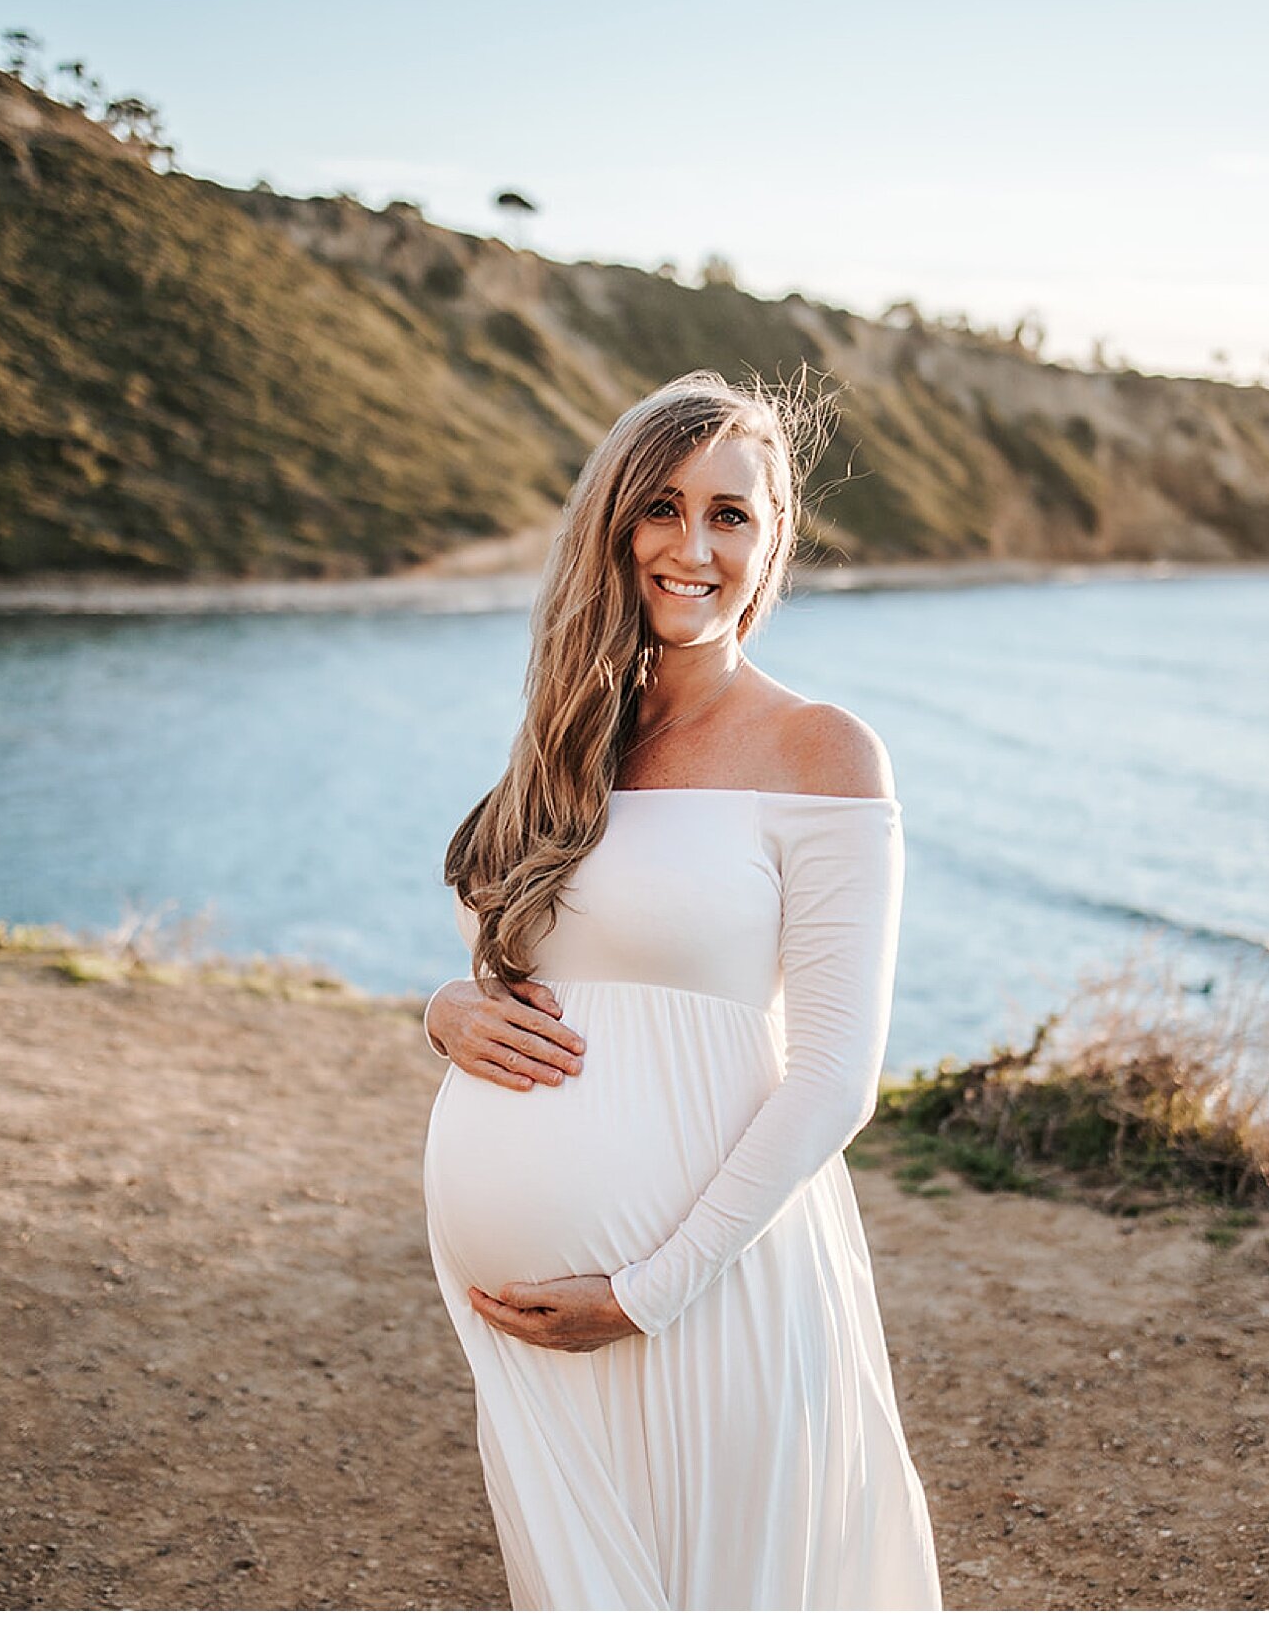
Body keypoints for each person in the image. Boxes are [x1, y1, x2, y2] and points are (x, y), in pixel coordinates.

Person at [417, 369, 943, 1609]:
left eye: (730, 513)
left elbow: (833, 1080)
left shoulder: (822, 748)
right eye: (660, 506)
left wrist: (643, 1293)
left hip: (706, 1287)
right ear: (614, 525)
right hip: (531, 1330)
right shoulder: (567, 735)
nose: (691, 544)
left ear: (772, 544)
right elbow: (513, 961)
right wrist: (442, 1010)